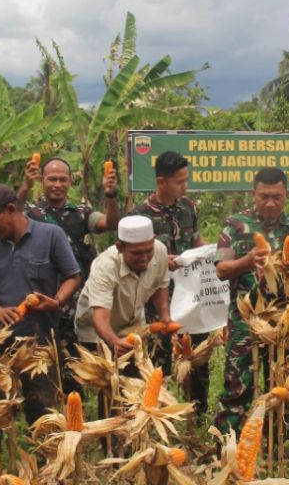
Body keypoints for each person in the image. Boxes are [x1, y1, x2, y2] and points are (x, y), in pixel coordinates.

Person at [214, 167, 289, 434]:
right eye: (264, 197)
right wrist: (246, 262)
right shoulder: (235, 225)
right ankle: (227, 447)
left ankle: (277, 446)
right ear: (254, 194)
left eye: (277, 197)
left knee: (283, 387)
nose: (270, 203)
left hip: (284, 322)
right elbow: (221, 270)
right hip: (244, 321)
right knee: (238, 388)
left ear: (286, 195)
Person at [0, 184, 81, 423]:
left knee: (44, 411)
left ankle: (46, 456)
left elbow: (72, 276)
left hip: (39, 341)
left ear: (11, 210)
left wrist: (56, 301)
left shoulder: (51, 235)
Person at [134, 151, 210, 415]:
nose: (185, 186)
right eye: (179, 181)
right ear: (161, 181)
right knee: (160, 362)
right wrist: (164, 260)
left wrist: (208, 253)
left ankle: (197, 417)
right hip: (158, 300)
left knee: (197, 356)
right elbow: (135, 258)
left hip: (191, 296)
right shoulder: (141, 215)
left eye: (186, 180)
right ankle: (158, 415)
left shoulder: (188, 207)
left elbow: (196, 241)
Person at [20, 158, 119, 358]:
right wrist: (25, 186)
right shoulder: (31, 214)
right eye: (52, 179)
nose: (58, 185)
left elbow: (110, 222)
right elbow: (9, 214)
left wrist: (110, 195)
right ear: (42, 180)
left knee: (79, 359)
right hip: (42, 297)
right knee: (44, 358)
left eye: (63, 180)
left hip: (78, 301)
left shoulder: (82, 213)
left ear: (70, 181)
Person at [74, 216, 171, 353]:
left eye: (149, 251)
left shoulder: (160, 251)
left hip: (134, 325)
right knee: (104, 372)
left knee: (137, 371)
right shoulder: (105, 266)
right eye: (136, 253)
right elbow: (100, 318)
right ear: (120, 247)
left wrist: (164, 315)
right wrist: (115, 342)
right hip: (96, 331)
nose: (144, 258)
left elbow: (161, 285)